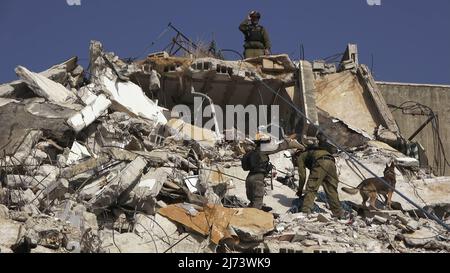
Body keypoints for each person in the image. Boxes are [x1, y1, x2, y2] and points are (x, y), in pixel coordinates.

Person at [242, 133, 305, 211]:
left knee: (253, 200)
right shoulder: (263, 149)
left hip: (249, 177)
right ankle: (254, 217)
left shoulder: (250, 153)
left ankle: (254, 210)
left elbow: (245, 167)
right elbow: (278, 147)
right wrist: (289, 143)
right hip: (258, 177)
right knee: (257, 200)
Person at [295, 133, 348, 219]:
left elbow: (302, 176)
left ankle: (305, 211)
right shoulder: (316, 151)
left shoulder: (301, 156)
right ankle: (338, 213)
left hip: (321, 162)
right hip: (331, 161)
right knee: (331, 190)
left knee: (311, 188)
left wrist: (300, 190)